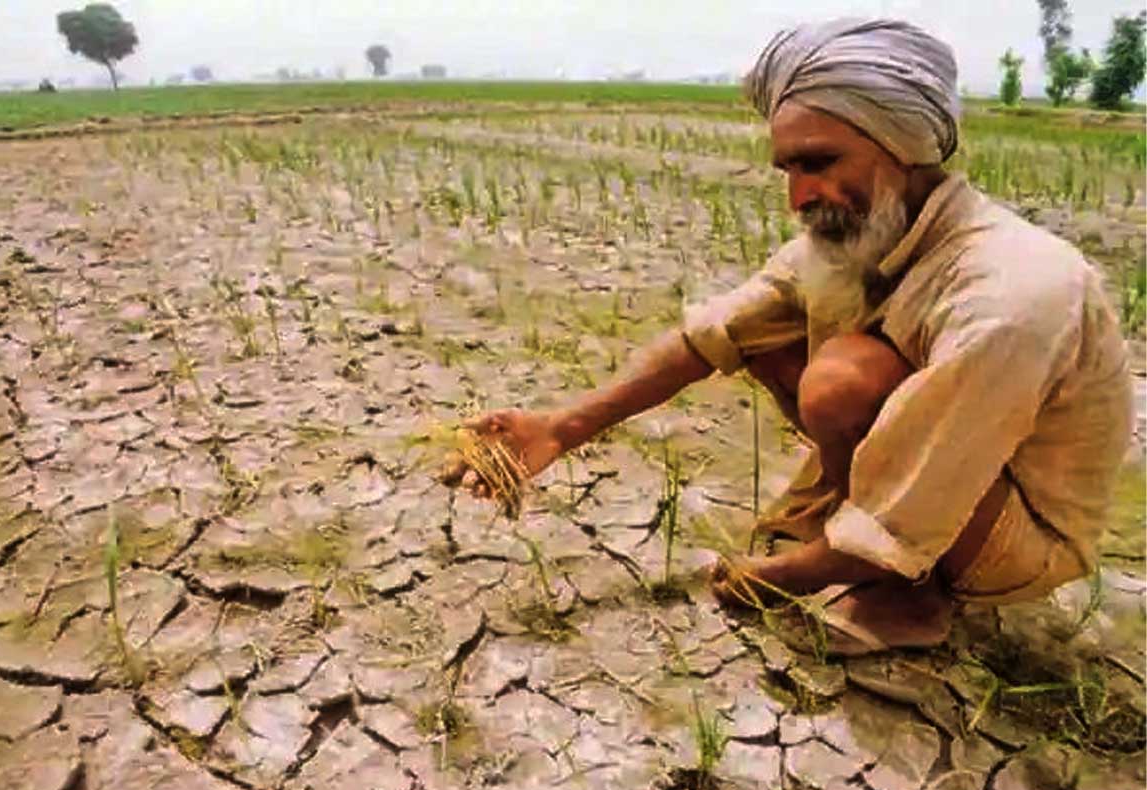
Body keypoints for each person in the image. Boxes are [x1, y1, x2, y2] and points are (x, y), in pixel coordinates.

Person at [441, 18, 1134, 654]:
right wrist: (561, 428)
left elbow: (944, 458)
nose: (799, 196)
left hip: (1017, 536)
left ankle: (905, 587)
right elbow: (708, 337)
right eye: (791, 169)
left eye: (822, 162)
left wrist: (779, 574)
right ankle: (858, 539)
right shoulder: (858, 237)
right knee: (770, 337)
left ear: (904, 146)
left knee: (840, 381)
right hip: (946, 475)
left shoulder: (1011, 291)